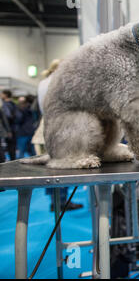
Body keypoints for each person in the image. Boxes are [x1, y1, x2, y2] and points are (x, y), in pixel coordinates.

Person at [37, 59, 83, 212]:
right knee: (63, 167)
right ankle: (62, 202)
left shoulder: (43, 82)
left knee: (52, 168)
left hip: (46, 127)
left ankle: (56, 200)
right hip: (61, 127)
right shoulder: (60, 81)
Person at [1, 90, 17, 160]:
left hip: (9, 127)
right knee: (12, 147)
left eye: (2, 94)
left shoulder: (5, 104)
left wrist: (8, 130)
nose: (0, 95)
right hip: (14, 127)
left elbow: (7, 117)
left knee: (9, 146)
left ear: (6, 95)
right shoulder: (13, 103)